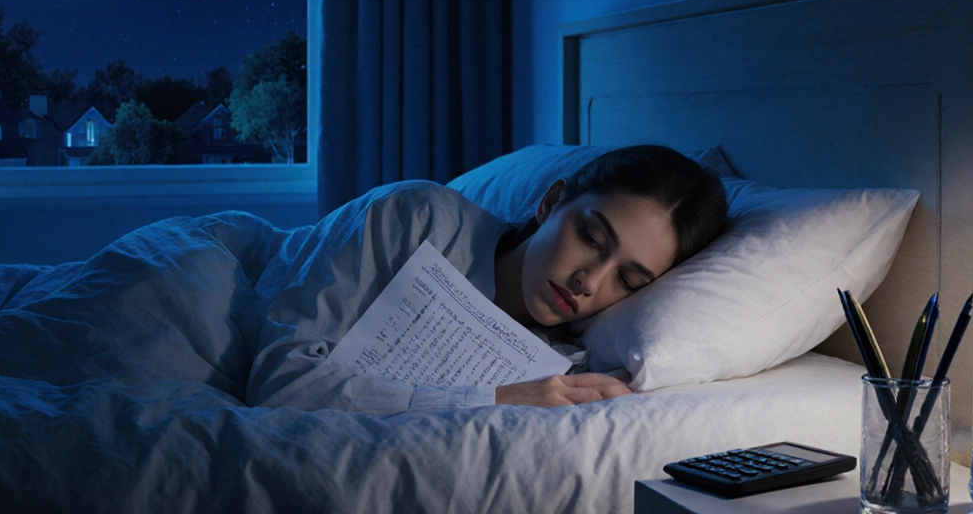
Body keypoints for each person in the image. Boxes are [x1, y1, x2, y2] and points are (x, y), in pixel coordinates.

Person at [244, 144, 728, 414]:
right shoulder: (417, 219)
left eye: (627, 279)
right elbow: (279, 381)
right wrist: (491, 397)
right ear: (551, 202)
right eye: (592, 239)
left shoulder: (563, 369)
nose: (589, 281)